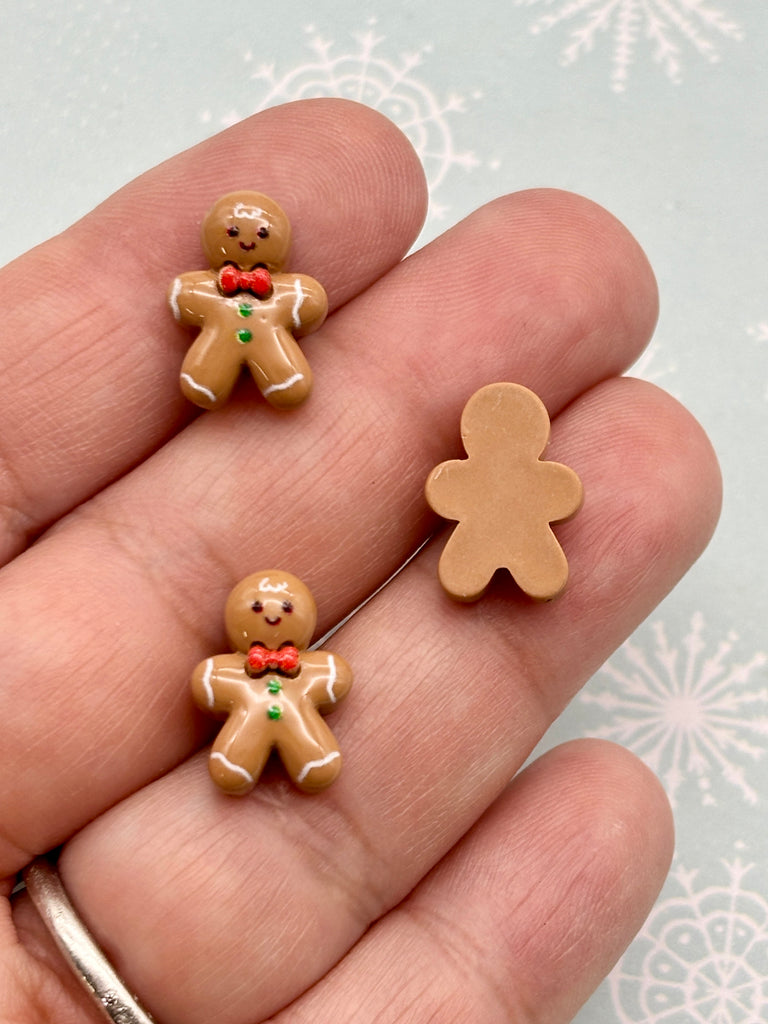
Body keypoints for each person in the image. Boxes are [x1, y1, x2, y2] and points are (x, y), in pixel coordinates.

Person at [0, 98, 720, 1024]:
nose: (252, 233)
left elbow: (329, 674)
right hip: (227, 365)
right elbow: (189, 297)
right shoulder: (213, 295)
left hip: (300, 690)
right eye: (243, 230)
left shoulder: (293, 306)